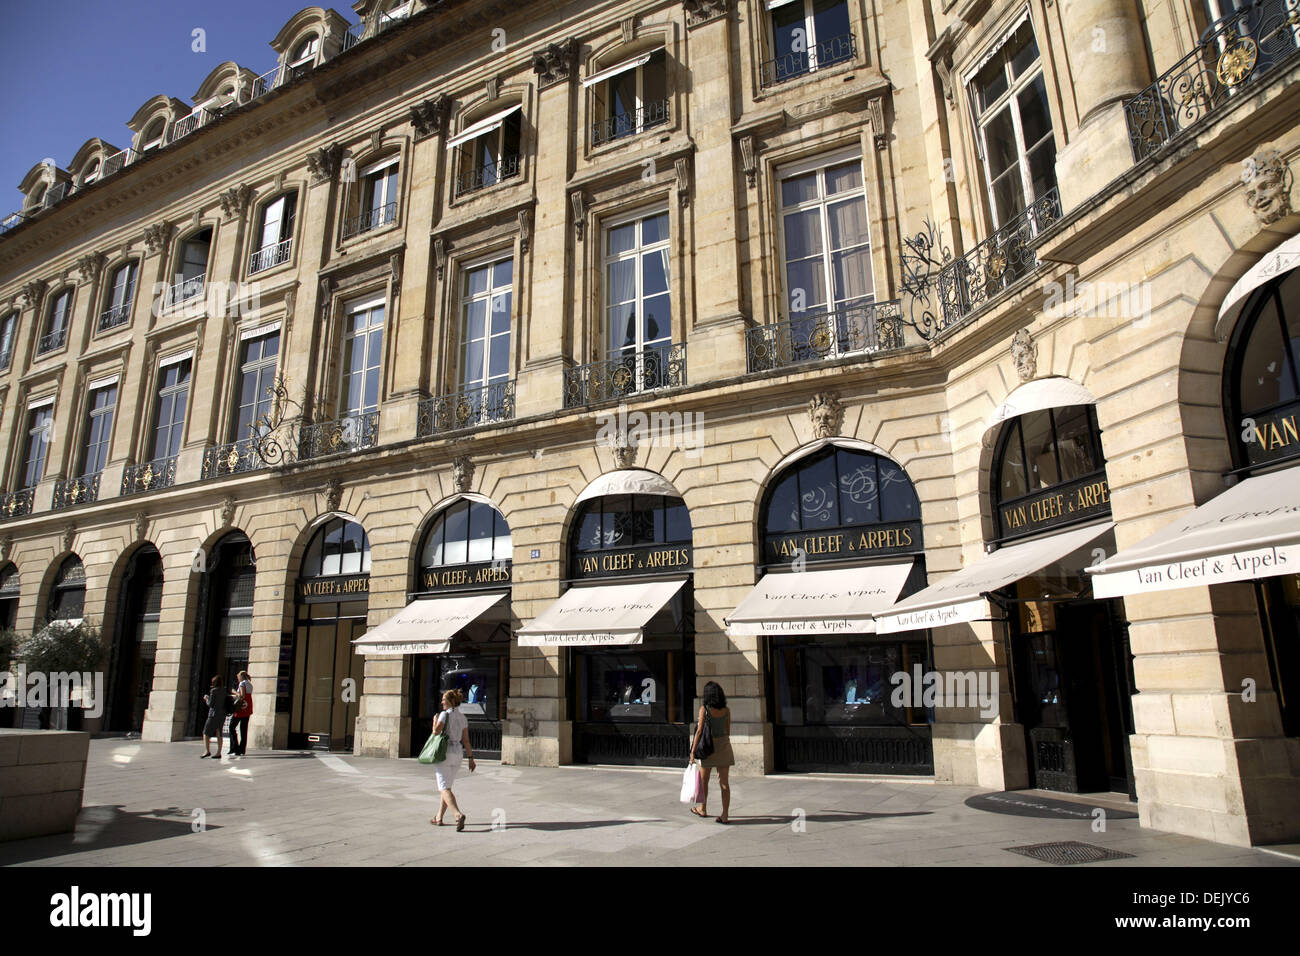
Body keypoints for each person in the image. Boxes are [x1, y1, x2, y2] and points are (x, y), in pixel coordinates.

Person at [429, 689, 475, 831]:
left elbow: (436, 732)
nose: (442, 702)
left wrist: (434, 722)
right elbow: (466, 740)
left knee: (443, 788)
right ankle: (439, 817)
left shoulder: (444, 715)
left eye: (444, 699)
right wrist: (471, 758)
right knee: (447, 787)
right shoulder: (463, 717)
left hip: (445, 752)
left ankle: (457, 814)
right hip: (457, 754)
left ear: (449, 701)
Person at [688, 681, 734, 823]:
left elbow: (700, 731)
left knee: (704, 780)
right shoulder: (726, 710)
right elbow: (727, 730)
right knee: (724, 783)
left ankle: (703, 808)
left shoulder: (705, 709)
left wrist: (692, 751)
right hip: (724, 746)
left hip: (708, 748)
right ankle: (725, 814)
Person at [201, 675, 227, 759]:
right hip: (222, 714)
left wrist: (206, 698)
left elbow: (211, 704)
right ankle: (219, 752)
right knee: (219, 732)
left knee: (206, 732)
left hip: (213, 715)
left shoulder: (213, 691)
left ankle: (207, 751)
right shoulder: (224, 690)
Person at [228, 671, 253, 757]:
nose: (238, 679)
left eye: (238, 677)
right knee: (244, 729)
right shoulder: (249, 684)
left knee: (231, 727)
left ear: (241, 677)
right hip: (248, 708)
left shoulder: (242, 683)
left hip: (240, 709)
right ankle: (242, 749)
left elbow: (242, 695)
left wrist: (234, 692)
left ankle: (235, 747)